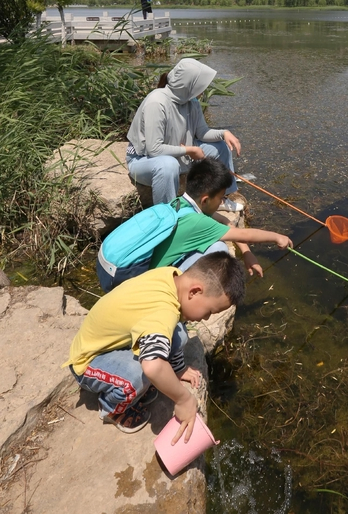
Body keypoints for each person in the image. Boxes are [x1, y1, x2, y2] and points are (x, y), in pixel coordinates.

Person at [63, 253, 246, 436]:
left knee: (179, 333)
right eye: (209, 311)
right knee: (139, 375)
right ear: (194, 291)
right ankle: (111, 407)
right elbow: (152, 367)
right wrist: (183, 399)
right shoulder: (162, 312)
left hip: (114, 342)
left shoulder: (172, 276)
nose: (205, 318)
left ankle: (166, 372)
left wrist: (177, 369)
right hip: (89, 361)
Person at [126, 58, 242, 209]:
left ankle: (219, 198)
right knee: (168, 165)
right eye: (200, 85)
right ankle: (166, 215)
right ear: (189, 85)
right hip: (144, 159)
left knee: (220, 147)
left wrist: (224, 133)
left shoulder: (191, 102)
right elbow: (154, 150)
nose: (203, 90)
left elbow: (202, 132)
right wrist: (189, 150)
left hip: (177, 152)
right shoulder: (157, 102)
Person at [149, 157, 292, 276]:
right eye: (221, 198)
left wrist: (246, 251)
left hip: (149, 268)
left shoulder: (179, 203)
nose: (222, 202)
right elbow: (244, 234)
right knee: (220, 250)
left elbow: (224, 220)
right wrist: (277, 237)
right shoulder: (199, 223)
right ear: (206, 200)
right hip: (155, 280)